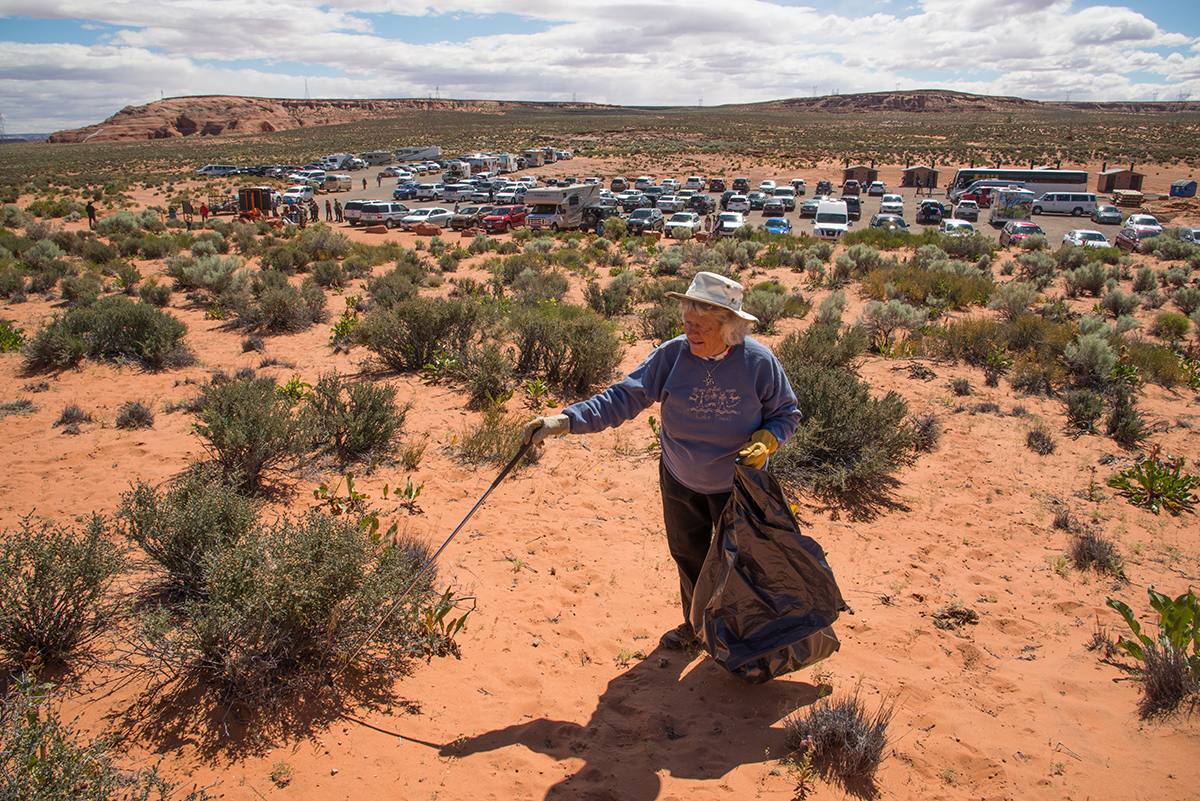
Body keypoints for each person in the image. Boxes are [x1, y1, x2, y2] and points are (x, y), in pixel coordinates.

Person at [522, 272, 802, 649]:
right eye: (688, 323)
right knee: (688, 554)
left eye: (703, 325)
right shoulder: (672, 355)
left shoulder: (758, 361)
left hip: (737, 485)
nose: (692, 332)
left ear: (731, 327)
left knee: (740, 561)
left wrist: (768, 440)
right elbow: (623, 398)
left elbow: (786, 413)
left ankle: (738, 634)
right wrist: (566, 420)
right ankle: (695, 625)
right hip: (680, 477)